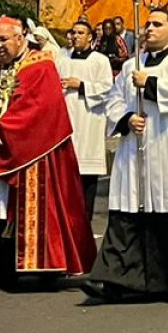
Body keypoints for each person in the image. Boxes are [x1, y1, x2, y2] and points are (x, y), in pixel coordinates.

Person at [84, 8, 168, 303]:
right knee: (129, 211)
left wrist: (150, 84)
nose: (150, 29)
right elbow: (114, 99)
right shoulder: (132, 64)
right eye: (147, 24)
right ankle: (114, 280)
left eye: (157, 24)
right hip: (138, 148)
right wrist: (128, 117)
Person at [0, 16, 97, 289]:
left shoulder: (41, 66)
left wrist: (6, 126)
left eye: (4, 39)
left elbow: (43, 108)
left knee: (35, 210)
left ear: (20, 37)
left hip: (34, 151)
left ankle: (44, 269)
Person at [57, 18, 117, 225]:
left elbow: (107, 88)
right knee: (65, 178)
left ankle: (84, 223)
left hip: (89, 120)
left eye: (80, 33)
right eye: (73, 32)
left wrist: (81, 85)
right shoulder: (62, 60)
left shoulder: (100, 60)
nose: (76, 36)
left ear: (90, 37)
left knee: (86, 178)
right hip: (67, 120)